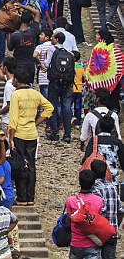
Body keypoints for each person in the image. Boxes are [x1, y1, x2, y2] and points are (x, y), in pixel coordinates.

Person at [7, 64, 53, 206]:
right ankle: (30, 196)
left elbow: (13, 119)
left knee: (20, 165)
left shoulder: (16, 94)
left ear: (16, 79)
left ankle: (21, 197)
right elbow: (49, 108)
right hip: (32, 134)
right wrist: (36, 122)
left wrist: (11, 138)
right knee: (31, 165)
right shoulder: (35, 93)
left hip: (19, 134)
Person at [64, 169, 106, 259]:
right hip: (92, 242)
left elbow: (68, 222)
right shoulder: (99, 200)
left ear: (80, 182)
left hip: (76, 243)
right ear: (93, 183)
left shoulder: (71, 200)